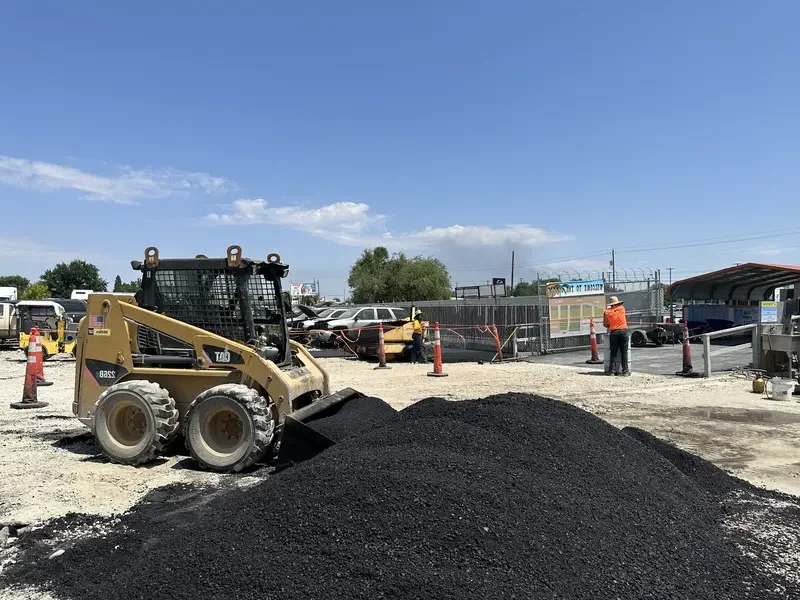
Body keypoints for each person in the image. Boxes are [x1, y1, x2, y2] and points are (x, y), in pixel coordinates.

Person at [603, 296, 630, 376]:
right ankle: (625, 371)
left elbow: (605, 324)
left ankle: (612, 371)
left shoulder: (607, 312)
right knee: (624, 352)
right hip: (623, 331)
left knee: (613, 352)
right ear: (617, 302)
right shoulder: (622, 308)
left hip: (614, 332)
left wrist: (610, 325)